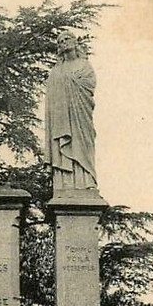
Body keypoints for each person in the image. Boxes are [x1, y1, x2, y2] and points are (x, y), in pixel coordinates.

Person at [44, 30, 98, 193]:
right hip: (61, 115)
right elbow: (51, 97)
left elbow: (90, 84)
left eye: (67, 39)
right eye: (60, 41)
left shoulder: (85, 65)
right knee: (64, 141)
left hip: (80, 113)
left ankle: (87, 178)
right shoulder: (56, 71)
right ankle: (65, 180)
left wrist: (71, 82)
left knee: (82, 143)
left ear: (75, 43)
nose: (63, 42)